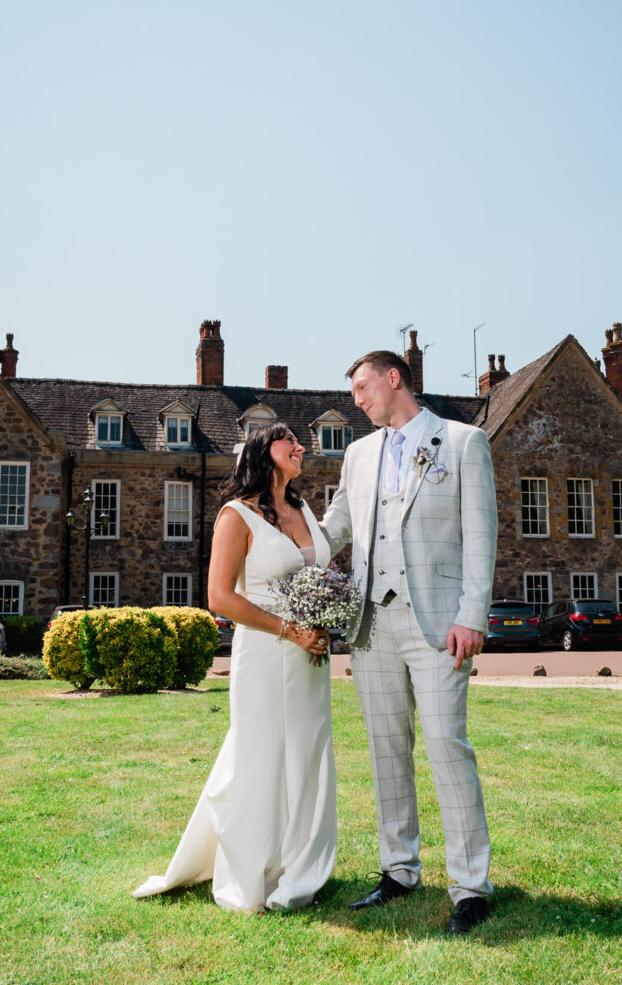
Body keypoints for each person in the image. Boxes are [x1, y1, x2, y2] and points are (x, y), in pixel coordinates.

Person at [320, 350, 498, 936]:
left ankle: (471, 886)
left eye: (363, 388)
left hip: (441, 622)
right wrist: (268, 537)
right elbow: (334, 528)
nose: (358, 401)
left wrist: (472, 614)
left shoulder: (463, 442)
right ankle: (399, 870)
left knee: (447, 744)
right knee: (385, 750)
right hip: (371, 627)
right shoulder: (358, 453)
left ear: (394, 378)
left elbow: (480, 535)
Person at [133, 424, 336, 911]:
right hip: (266, 652)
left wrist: (326, 617)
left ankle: (300, 870)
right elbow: (220, 597)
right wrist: (289, 628)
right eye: (290, 441)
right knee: (260, 756)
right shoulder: (236, 515)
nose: (302, 447)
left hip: (311, 655)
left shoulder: (304, 508)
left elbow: (321, 573)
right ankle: (250, 872)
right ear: (264, 453)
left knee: (308, 757)